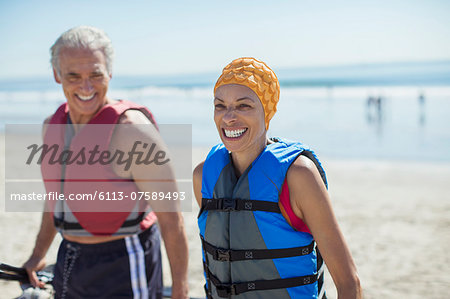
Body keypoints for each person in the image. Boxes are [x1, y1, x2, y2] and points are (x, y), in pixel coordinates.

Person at [22, 26, 189, 299]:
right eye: (73, 76)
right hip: (70, 259)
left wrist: (180, 291)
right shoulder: (50, 127)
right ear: (56, 75)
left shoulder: (133, 132)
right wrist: (37, 254)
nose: (85, 87)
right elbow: (56, 197)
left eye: (95, 75)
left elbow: (172, 219)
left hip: (125, 261)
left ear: (109, 73)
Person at [193, 57, 362, 298]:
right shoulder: (204, 176)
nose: (229, 117)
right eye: (220, 106)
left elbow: (349, 282)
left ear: (267, 112)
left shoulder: (298, 176)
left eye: (244, 106)